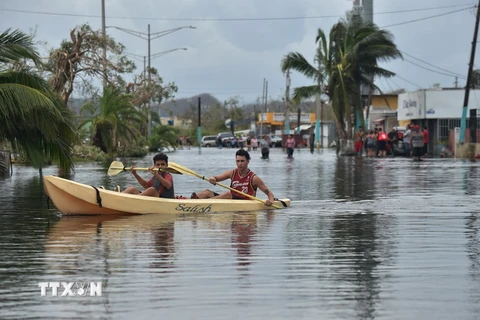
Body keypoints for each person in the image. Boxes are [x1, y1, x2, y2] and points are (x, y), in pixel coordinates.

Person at [191, 149, 275, 206]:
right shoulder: (232, 173)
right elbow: (216, 178)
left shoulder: (254, 178)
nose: (239, 164)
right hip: (230, 199)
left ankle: (201, 204)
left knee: (228, 194)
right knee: (207, 192)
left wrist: (271, 201)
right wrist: (212, 178)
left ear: (248, 161)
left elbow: (269, 193)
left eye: (242, 161)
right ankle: (186, 200)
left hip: (244, 203)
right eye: (237, 161)